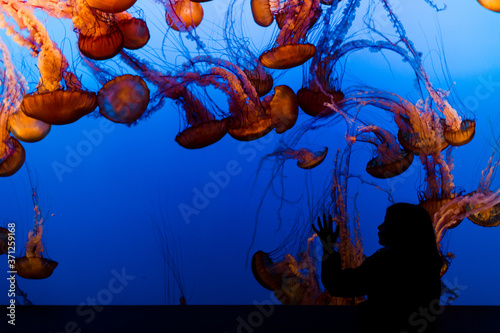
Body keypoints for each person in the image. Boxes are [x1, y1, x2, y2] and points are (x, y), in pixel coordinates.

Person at [312, 203, 442, 333]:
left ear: (400, 228)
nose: (379, 226)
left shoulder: (384, 264)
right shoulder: (429, 263)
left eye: (386, 222)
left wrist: (328, 249)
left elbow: (338, 285)